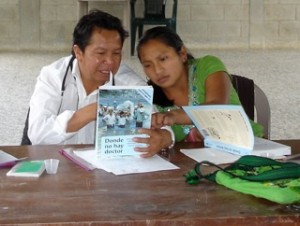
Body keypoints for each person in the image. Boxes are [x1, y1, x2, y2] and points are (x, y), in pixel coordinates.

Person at [27, 9, 148, 145]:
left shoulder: (129, 83)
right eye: (101, 53)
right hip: (59, 162)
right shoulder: (53, 76)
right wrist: (93, 111)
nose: (110, 61)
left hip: (107, 165)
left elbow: (156, 123)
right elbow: (37, 134)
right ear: (78, 52)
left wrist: (165, 137)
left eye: (116, 53)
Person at [136, 26, 264, 142]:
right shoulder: (149, 100)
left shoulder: (207, 66)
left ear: (182, 53)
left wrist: (174, 116)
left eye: (163, 59)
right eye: (148, 65)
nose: (157, 70)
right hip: (196, 164)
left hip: (252, 147)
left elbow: (217, 109)